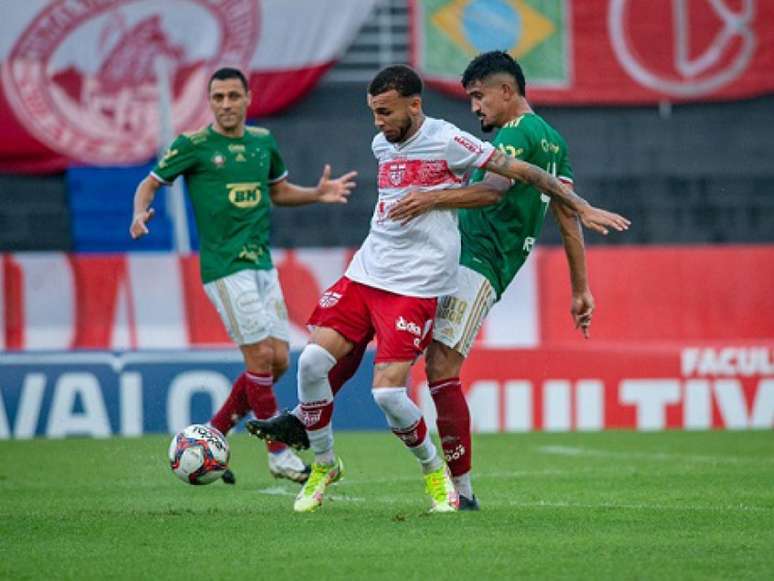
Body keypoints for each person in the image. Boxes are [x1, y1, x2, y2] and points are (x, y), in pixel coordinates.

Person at [247, 64, 629, 514]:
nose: (474, 107)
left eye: (479, 97)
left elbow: (497, 186)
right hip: (441, 257)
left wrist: (430, 199)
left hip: (476, 262)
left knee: (441, 367)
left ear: (506, 91)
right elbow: (564, 216)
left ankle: (461, 492)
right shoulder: (554, 142)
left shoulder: (514, 134)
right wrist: (580, 286)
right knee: (358, 333)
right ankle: (304, 417)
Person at [129, 67, 357, 485]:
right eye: (218, 97)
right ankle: (279, 454)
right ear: (210, 101)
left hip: (261, 266)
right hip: (224, 268)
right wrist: (140, 211)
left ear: (248, 98)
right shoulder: (193, 146)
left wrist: (317, 193)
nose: (226, 104)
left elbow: (278, 192)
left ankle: (212, 435)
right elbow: (150, 183)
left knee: (280, 361)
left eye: (234, 96)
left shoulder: (262, 143)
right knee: (260, 359)